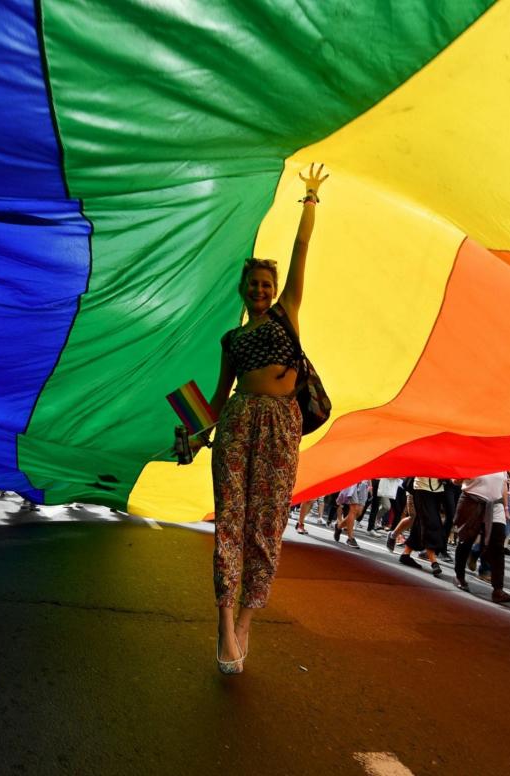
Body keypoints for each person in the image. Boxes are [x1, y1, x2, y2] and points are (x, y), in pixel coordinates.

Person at [199, 164, 327, 674]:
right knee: (230, 521)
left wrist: (310, 201)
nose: (259, 289)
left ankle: (248, 620)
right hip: (236, 423)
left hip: (279, 425)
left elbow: (301, 255)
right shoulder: (232, 340)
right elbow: (216, 397)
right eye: (252, 283)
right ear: (242, 289)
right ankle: (225, 619)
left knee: (266, 526)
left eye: (265, 283)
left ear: (274, 289)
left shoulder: (285, 315)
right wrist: (194, 430)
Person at [453, 472, 510, 604]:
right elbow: (455, 480)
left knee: (498, 547)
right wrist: (461, 477)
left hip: (495, 506)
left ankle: (498, 589)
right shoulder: (473, 455)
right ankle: (459, 576)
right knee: (466, 540)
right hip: (471, 502)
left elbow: (503, 485)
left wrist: (506, 507)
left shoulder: (503, 461)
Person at [333, 479, 369, 548]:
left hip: (364, 482)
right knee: (354, 509)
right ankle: (350, 538)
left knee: (359, 512)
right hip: (353, 481)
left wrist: (369, 484)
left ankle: (338, 527)